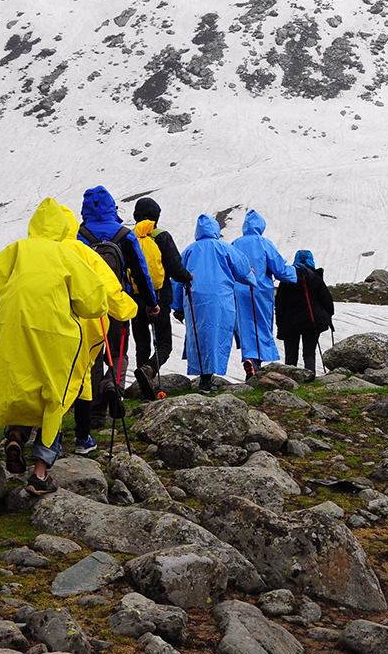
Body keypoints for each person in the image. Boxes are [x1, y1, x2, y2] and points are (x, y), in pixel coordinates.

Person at [0, 198, 108, 496]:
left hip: (14, 330)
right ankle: (40, 474)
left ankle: (16, 435)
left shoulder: (12, 252)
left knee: (21, 386)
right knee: (51, 399)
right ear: (61, 228)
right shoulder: (66, 255)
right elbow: (93, 302)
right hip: (57, 337)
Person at [75, 186, 158, 453]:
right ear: (112, 206)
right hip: (117, 305)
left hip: (87, 307)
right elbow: (141, 271)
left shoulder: (79, 235)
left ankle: (95, 414)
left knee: (92, 356)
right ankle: (113, 385)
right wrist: (151, 302)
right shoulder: (124, 235)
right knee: (118, 351)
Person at [172, 214, 260, 393]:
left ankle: (205, 377)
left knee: (199, 336)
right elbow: (243, 270)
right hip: (221, 300)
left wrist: (178, 307)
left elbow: (177, 278)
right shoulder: (225, 248)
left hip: (194, 300)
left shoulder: (189, 251)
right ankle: (207, 379)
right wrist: (251, 276)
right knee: (217, 336)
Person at [130, 197, 194, 398]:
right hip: (160, 299)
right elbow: (175, 268)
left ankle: (144, 390)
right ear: (156, 217)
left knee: (142, 344)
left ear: (136, 216)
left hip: (135, 301)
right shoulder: (162, 236)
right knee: (164, 344)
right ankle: (150, 369)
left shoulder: (128, 237)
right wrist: (188, 277)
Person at [231, 210, 297, 379]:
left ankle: (249, 358)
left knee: (244, 325)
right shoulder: (264, 243)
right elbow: (279, 270)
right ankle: (256, 363)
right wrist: (295, 273)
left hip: (239, 291)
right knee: (261, 324)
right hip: (260, 290)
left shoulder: (235, 244)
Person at [275, 251, 334, 372]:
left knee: (290, 356)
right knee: (309, 354)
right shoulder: (316, 278)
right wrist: (328, 316)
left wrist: (280, 327)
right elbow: (327, 300)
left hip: (290, 322)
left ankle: (290, 378)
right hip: (312, 321)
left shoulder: (286, 281)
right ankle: (310, 377)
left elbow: (280, 305)